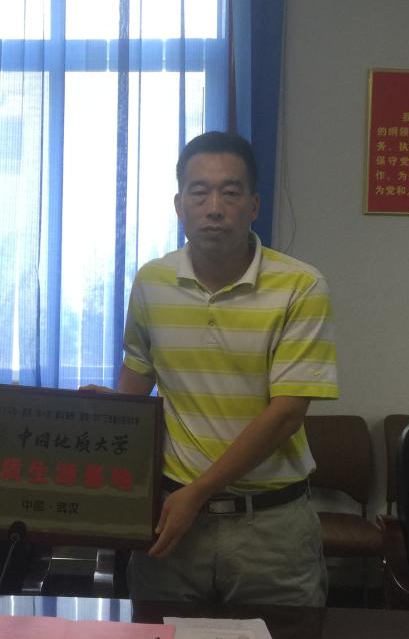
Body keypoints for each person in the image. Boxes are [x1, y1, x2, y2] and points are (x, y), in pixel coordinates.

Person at [120, 131, 339, 606]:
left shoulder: (301, 286)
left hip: (270, 529)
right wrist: (102, 413)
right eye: (199, 192)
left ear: (254, 205)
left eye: (231, 192)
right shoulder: (151, 281)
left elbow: (286, 414)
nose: (214, 208)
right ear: (179, 205)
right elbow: (136, 380)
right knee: (161, 634)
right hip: (171, 517)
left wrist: (198, 492)